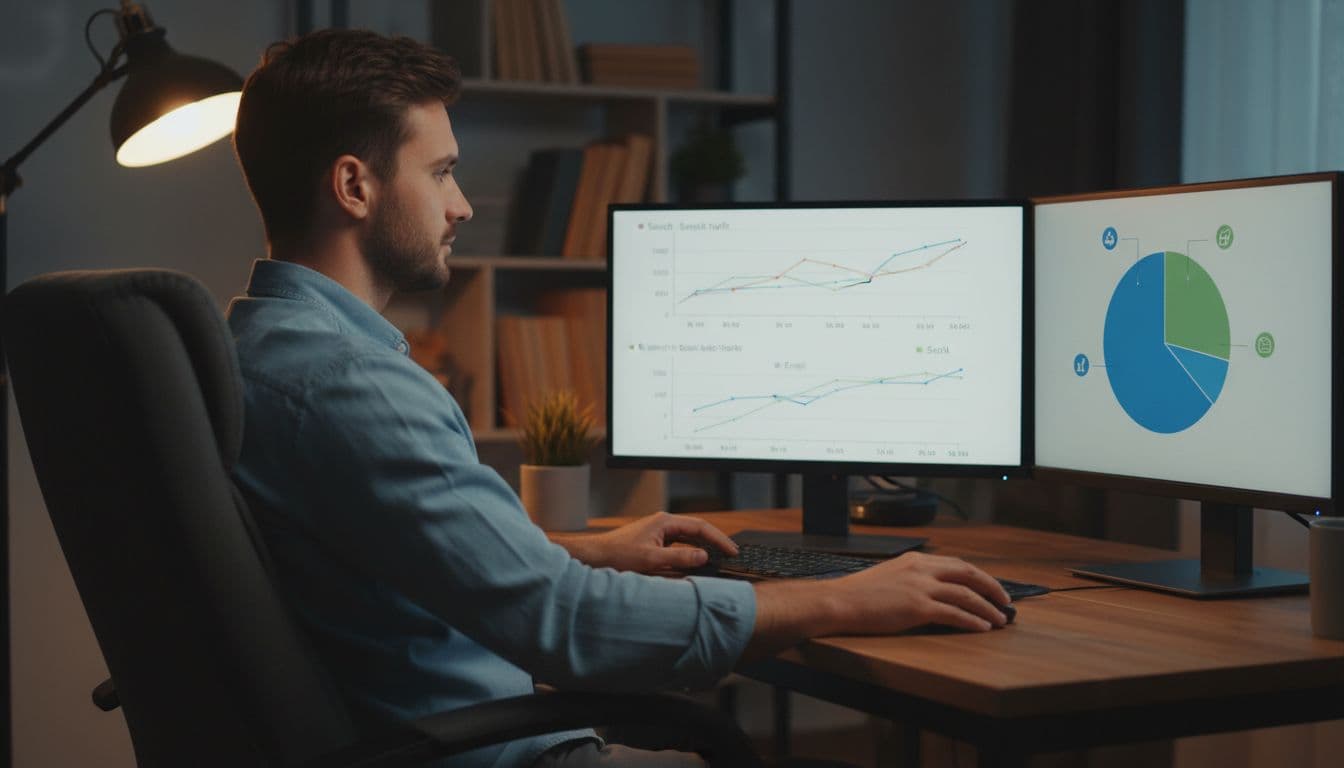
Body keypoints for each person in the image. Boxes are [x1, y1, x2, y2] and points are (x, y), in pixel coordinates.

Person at [227, 28, 1012, 768]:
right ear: (353, 186)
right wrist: (842, 600)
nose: (461, 205)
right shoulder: (349, 386)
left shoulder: (259, 351)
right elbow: (569, 626)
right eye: (440, 173)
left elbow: (374, 552)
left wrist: (581, 552)